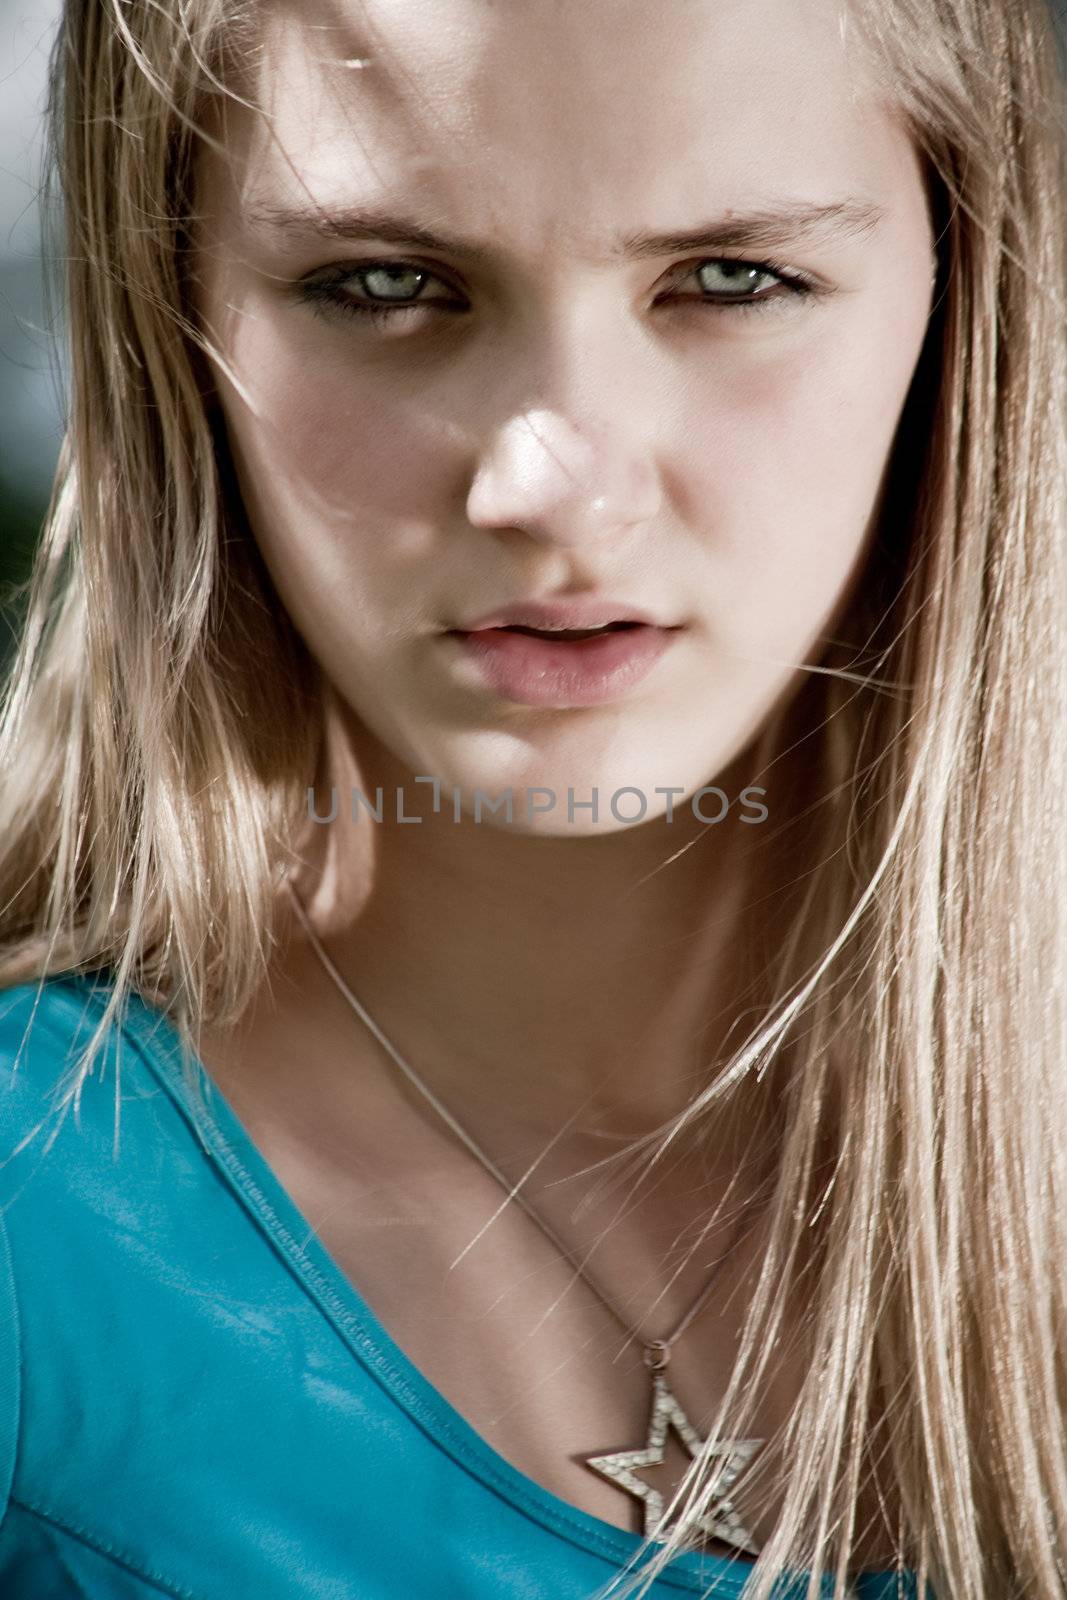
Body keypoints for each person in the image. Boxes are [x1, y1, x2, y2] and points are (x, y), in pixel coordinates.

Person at [0, 0, 1065, 1595]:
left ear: (962, 291)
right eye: (382, 284)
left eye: (730, 280)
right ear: (177, 327)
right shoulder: (42, 1229)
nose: (552, 486)